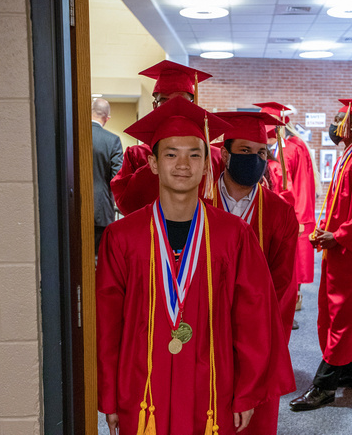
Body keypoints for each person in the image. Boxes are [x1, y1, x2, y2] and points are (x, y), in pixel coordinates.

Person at [96, 97, 295, 435]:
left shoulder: (234, 235)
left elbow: (254, 316)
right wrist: (109, 395)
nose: (183, 165)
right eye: (171, 154)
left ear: (208, 164)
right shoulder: (122, 237)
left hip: (213, 383)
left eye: (194, 154)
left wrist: (247, 392)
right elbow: (107, 323)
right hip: (143, 385)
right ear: (154, 163)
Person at [289, 98, 352, 411]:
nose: (334, 126)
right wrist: (323, 230)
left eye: (339, 119)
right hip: (340, 252)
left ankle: (323, 387)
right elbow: (337, 203)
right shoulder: (348, 157)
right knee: (339, 313)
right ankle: (351, 371)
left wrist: (340, 235)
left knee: (344, 317)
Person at [206, 111, 299, 435]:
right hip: (202, 334)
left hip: (255, 339)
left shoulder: (280, 212)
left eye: (262, 153)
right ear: (225, 153)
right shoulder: (198, 202)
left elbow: (283, 284)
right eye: (246, 152)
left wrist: (248, 329)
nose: (256, 159)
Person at [110, 60, 222, 215]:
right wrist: (156, 162)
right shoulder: (136, 156)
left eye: (181, 101)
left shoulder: (213, 158)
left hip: (205, 234)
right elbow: (126, 205)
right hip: (150, 235)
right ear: (154, 106)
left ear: (194, 105)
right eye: (165, 101)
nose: (173, 108)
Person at [255, 102, 317, 312]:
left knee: (286, 267)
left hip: (285, 216)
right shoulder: (265, 149)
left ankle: (288, 306)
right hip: (266, 216)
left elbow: (299, 188)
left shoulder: (292, 149)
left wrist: (298, 220)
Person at [91, 98, 123, 255]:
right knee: (98, 259)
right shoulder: (112, 141)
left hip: (72, 208)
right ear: (107, 118)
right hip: (101, 210)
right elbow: (117, 178)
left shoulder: (73, 136)